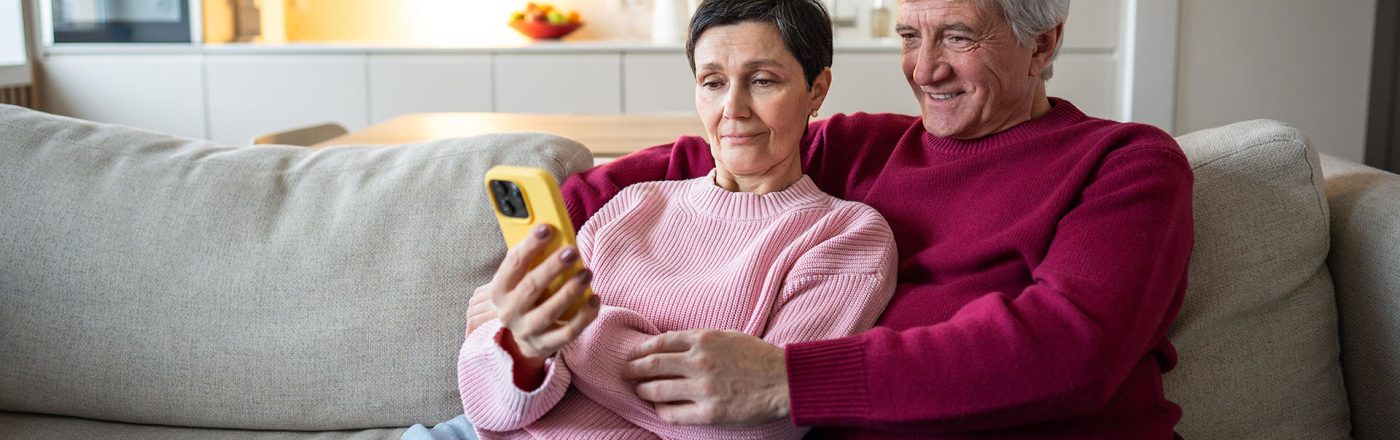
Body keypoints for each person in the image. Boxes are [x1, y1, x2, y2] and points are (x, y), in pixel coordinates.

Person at [466, 0, 1194, 438]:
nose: (926, 68)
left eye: (959, 36)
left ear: (1045, 41)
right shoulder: (867, 147)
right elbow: (705, 152)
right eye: (911, 35)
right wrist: (532, 254)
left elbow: (1069, 352)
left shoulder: (1125, 163)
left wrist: (788, 378)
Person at [454, 0, 898, 438]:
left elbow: (756, 424)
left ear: (816, 89)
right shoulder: (631, 205)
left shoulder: (847, 237)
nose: (733, 108)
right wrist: (528, 351)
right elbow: (483, 401)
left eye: (763, 81)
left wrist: (571, 333)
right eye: (712, 82)